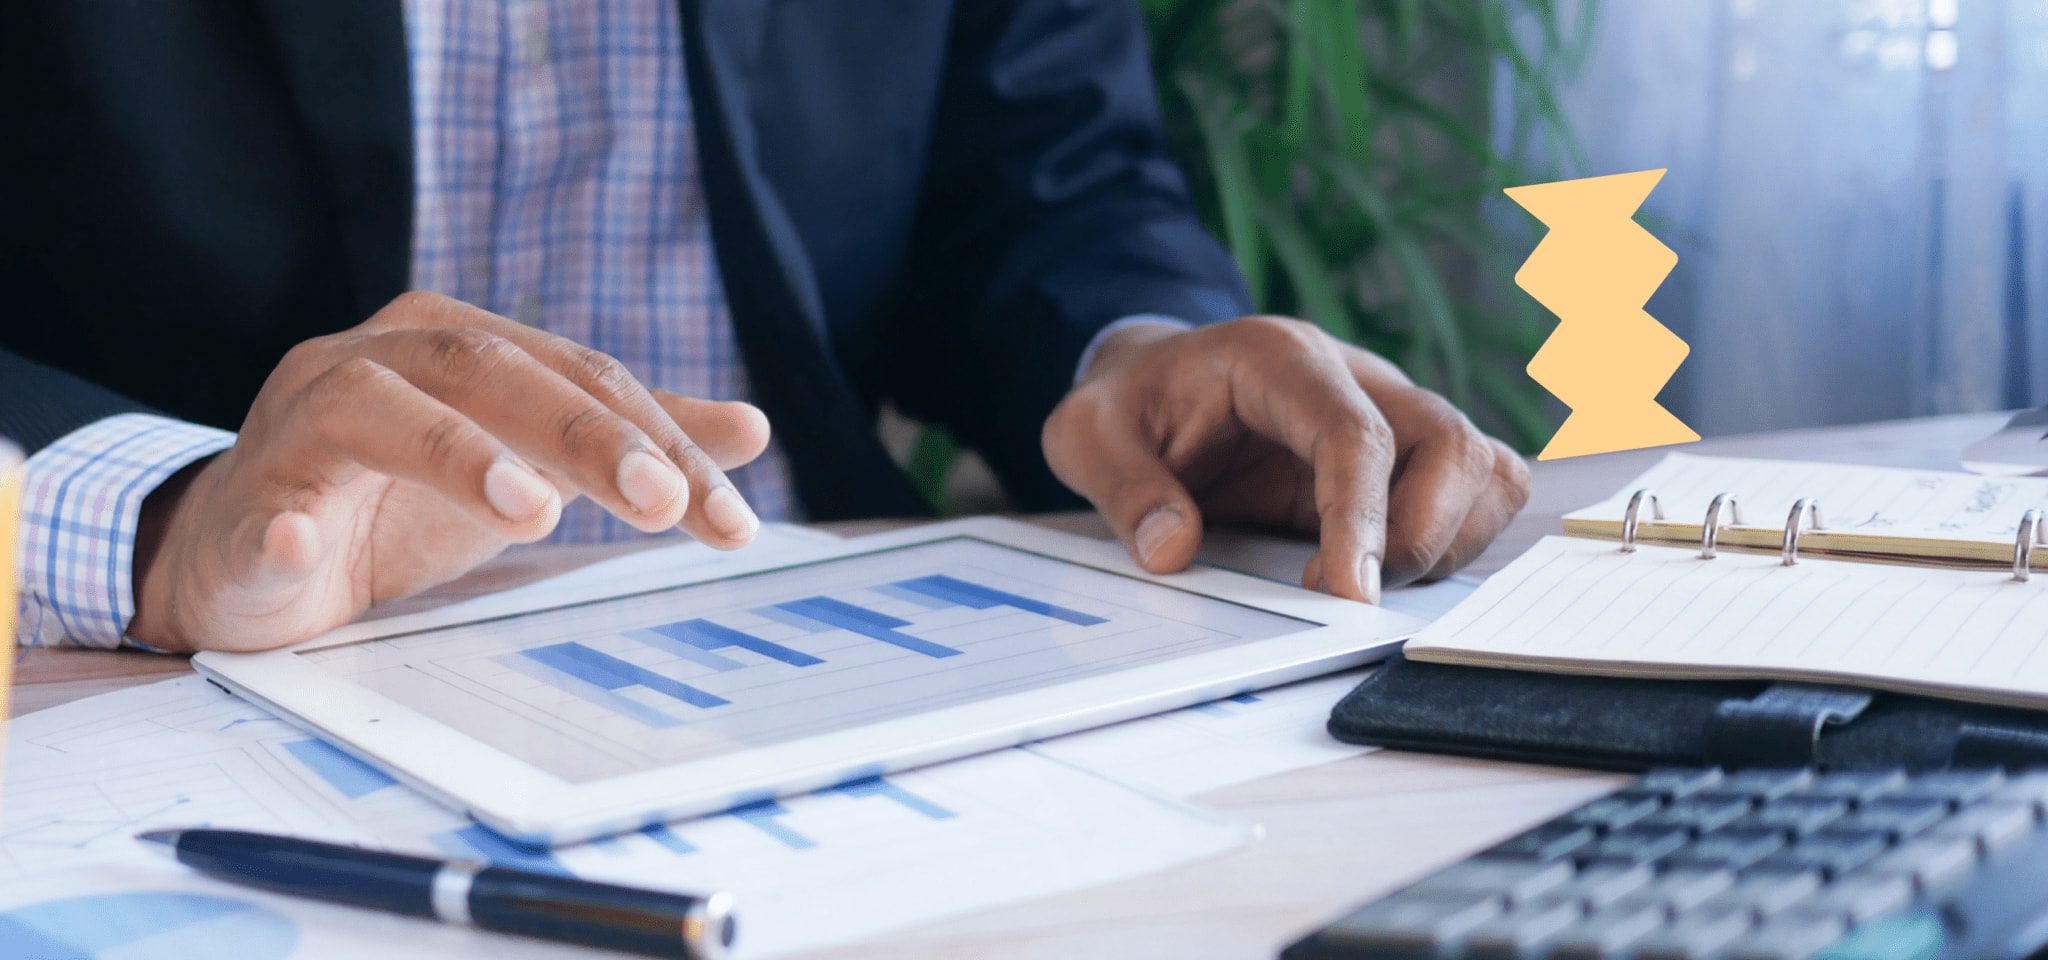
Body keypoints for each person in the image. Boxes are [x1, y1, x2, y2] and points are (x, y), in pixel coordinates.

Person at [1, 1, 1528, 654]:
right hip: (170, 678)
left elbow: (1044, 174)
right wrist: (160, 524)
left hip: (823, 652)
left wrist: (1143, 355)